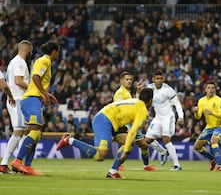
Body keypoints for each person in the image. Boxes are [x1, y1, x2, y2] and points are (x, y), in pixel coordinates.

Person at [56, 88, 154, 179]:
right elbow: (133, 131)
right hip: (104, 120)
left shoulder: (135, 101)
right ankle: (69, 140)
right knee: (100, 156)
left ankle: (112, 172)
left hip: (112, 120)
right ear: (150, 101)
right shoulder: (143, 111)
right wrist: (125, 152)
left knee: (128, 142)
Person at [10, 41, 60, 176]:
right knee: (35, 133)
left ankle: (27, 166)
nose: (58, 54)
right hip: (32, 99)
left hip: (33, 99)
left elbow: (35, 82)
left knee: (36, 134)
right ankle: (18, 161)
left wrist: (47, 94)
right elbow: (35, 77)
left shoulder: (44, 61)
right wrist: (44, 93)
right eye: (58, 52)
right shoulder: (45, 61)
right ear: (54, 51)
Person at [112, 71, 158, 171]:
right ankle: (117, 165)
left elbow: (135, 104)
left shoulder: (127, 92)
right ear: (121, 81)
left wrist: (138, 92)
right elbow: (119, 108)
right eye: (127, 79)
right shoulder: (120, 93)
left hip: (132, 123)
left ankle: (146, 166)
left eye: (130, 79)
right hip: (127, 123)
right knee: (127, 144)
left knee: (144, 145)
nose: (129, 81)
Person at [0, 40, 32, 174]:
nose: (31, 53)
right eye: (31, 51)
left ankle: (18, 163)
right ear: (27, 50)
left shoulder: (14, 61)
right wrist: (33, 88)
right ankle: (3, 164)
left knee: (24, 131)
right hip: (17, 100)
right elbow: (18, 81)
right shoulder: (20, 62)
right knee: (19, 131)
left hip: (18, 99)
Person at [144, 69, 184, 171]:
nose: (159, 80)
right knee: (147, 141)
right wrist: (138, 91)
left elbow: (177, 103)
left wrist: (181, 116)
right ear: (153, 79)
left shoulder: (168, 90)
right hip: (157, 118)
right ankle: (163, 152)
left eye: (161, 78)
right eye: (157, 78)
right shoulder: (149, 88)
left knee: (166, 139)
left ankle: (177, 165)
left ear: (164, 79)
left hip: (168, 117)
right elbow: (142, 100)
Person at [191, 81, 221, 171]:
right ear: (205, 89)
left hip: (220, 126)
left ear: (215, 90)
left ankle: (220, 166)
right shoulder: (201, 101)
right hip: (209, 127)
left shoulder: (219, 100)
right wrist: (195, 111)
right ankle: (212, 159)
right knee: (197, 147)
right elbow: (198, 117)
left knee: (214, 142)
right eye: (209, 88)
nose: (211, 90)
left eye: (212, 88)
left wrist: (212, 113)